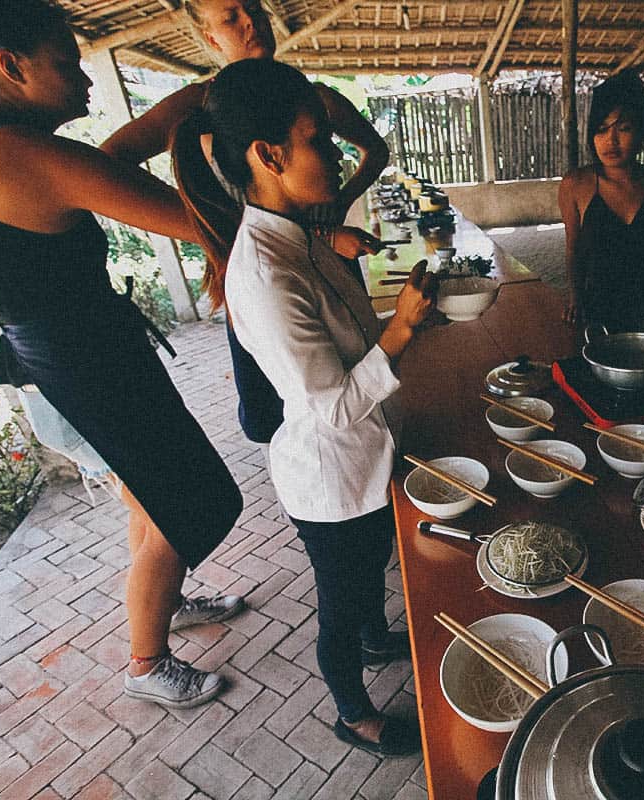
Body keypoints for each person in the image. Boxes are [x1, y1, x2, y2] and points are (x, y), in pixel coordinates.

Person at [0, 0, 244, 709]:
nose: (83, 79)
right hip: (79, 371)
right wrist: (190, 132)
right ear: (11, 66)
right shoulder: (25, 153)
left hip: (55, 367)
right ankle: (146, 662)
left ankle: (165, 606)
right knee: (181, 506)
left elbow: (83, 181)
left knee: (149, 498)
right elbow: (198, 221)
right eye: (67, 61)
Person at [172, 59, 433, 756]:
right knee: (341, 602)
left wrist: (399, 325)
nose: (336, 154)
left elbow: (346, 353)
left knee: (373, 566)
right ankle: (350, 710)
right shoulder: (265, 272)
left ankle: (378, 641)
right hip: (330, 477)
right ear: (270, 155)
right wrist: (403, 329)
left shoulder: (302, 236)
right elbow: (332, 405)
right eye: (319, 139)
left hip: (363, 458)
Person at [100, 0, 390, 445]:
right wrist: (213, 228)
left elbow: (375, 150)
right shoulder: (193, 106)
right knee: (271, 412)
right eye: (230, 16)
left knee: (359, 373)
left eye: (253, 8)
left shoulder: (310, 101)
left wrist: (334, 211)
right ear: (210, 38)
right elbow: (108, 165)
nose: (250, 23)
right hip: (263, 272)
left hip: (327, 257)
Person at [560, 68, 644, 342]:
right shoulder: (576, 185)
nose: (611, 141)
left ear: (641, 133)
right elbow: (574, 249)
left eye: (624, 129)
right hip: (601, 307)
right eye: (602, 129)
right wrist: (575, 297)